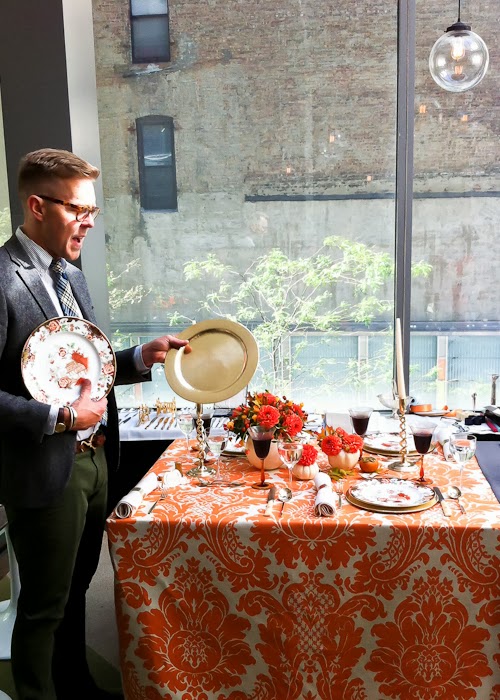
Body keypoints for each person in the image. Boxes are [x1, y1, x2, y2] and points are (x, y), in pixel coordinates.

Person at [0, 148, 190, 700]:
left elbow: (84, 366)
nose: (87, 220)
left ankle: (77, 686)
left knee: (77, 590)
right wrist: (59, 416)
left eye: (93, 210)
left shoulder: (71, 276)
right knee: (43, 607)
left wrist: (137, 359)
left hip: (95, 461)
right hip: (44, 470)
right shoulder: (2, 278)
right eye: (77, 209)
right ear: (37, 205)